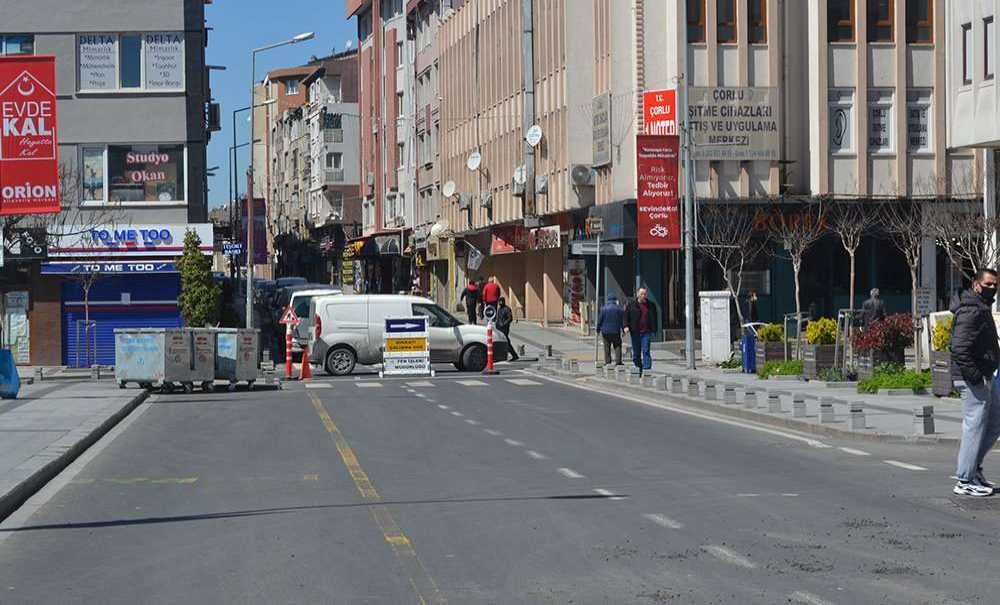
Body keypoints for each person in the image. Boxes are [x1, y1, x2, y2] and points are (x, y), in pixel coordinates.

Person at [951, 268, 1000, 497]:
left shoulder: (981, 306)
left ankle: (974, 469)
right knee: (974, 426)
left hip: (985, 375)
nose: (993, 288)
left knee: (992, 423)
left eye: (995, 284)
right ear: (976, 285)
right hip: (974, 379)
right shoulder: (972, 309)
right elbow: (959, 348)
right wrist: (976, 378)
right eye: (988, 284)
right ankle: (965, 479)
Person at [624, 288, 658, 375]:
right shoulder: (631, 305)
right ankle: (638, 368)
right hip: (635, 332)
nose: (644, 296)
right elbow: (625, 317)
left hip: (646, 332)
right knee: (636, 352)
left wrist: (654, 329)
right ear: (638, 294)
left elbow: (654, 318)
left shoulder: (651, 305)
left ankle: (647, 370)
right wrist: (626, 326)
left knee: (646, 350)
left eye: (645, 294)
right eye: (642, 294)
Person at [597, 294, 625, 366]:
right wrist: (623, 330)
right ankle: (618, 361)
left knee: (606, 346)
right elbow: (622, 321)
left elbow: (600, 320)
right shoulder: (619, 309)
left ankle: (607, 361)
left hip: (605, 332)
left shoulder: (603, 309)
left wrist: (598, 329)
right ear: (615, 300)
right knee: (617, 346)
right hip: (616, 331)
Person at [495, 297, 518, 361]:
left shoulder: (507, 309)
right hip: (499, 327)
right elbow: (498, 318)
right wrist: (497, 324)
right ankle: (508, 355)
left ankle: (514, 355)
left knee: (506, 342)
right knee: (503, 342)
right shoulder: (499, 309)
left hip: (504, 328)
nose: (500, 303)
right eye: (499, 301)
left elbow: (510, 318)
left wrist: (504, 324)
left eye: (501, 301)